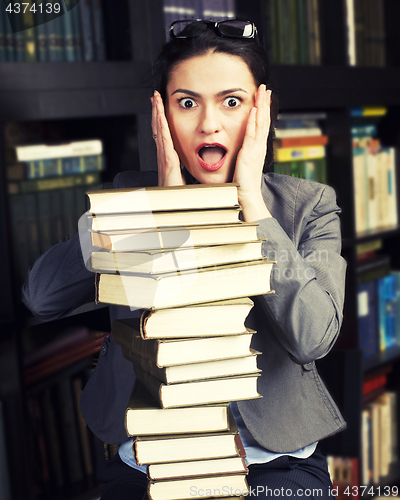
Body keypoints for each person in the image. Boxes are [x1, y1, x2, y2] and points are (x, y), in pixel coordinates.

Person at [22, 19, 347, 499]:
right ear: (162, 114)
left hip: (273, 461)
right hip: (148, 461)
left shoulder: (307, 207)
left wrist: (252, 206)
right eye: (187, 103)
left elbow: (313, 336)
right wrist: (159, 211)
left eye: (231, 102)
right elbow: (42, 297)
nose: (208, 124)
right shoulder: (130, 200)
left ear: (263, 111)